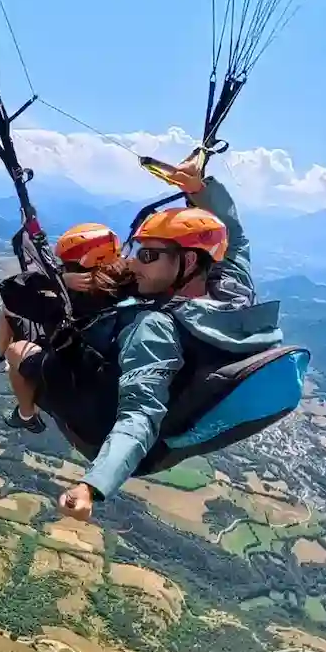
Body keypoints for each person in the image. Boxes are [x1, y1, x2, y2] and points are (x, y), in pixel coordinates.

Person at [47, 151, 282, 519]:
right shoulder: (234, 293)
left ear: (189, 261)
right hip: (175, 437)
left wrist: (93, 485)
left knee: (25, 349)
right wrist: (201, 189)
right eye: (138, 251)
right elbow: (234, 238)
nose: (134, 261)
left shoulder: (157, 328)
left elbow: (140, 413)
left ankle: (26, 406)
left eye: (150, 255)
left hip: (103, 437)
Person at [0, 223, 126, 429]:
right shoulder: (124, 279)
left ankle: (26, 415)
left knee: (15, 351)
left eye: (67, 263)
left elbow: (10, 293)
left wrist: (58, 281)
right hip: (95, 357)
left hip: (73, 366)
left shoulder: (78, 290)